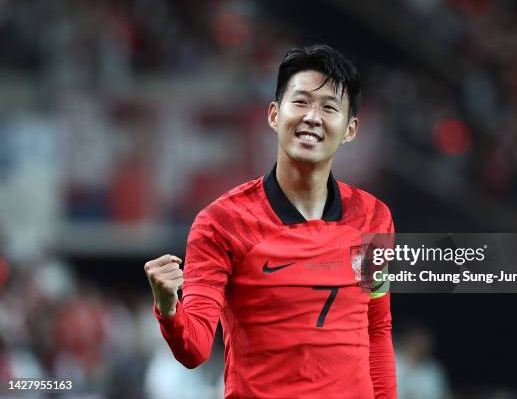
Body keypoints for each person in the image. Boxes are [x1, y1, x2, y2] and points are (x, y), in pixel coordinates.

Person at [144, 44, 397, 398]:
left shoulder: (374, 218)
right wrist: (169, 307)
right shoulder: (221, 223)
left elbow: (377, 329)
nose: (312, 116)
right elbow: (195, 349)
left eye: (328, 107)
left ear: (351, 129)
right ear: (275, 115)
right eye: (301, 101)